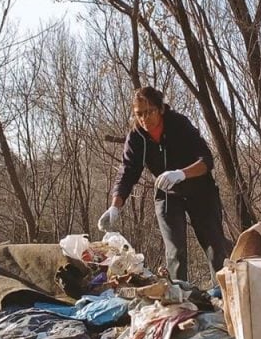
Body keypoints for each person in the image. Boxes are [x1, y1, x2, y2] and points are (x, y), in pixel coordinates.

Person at [98, 86, 232, 282]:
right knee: (175, 251)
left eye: (149, 111)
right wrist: (115, 206)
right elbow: (127, 171)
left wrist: (182, 174)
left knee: (214, 247)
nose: (144, 118)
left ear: (160, 109)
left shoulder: (179, 124)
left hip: (200, 191)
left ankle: (222, 295)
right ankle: (180, 298)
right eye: (139, 114)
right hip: (168, 195)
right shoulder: (136, 137)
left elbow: (207, 160)